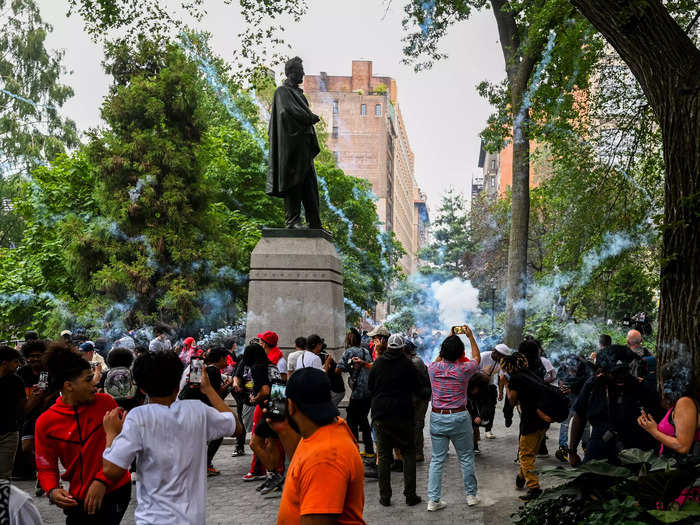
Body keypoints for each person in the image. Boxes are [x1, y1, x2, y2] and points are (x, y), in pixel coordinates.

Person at [102, 350, 240, 524]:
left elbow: (111, 471)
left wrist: (111, 434)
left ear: (142, 388)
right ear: (178, 384)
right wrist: (209, 389)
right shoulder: (198, 410)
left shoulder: (138, 417)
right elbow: (236, 427)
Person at [34, 343, 131, 524]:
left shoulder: (106, 403)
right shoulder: (46, 422)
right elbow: (46, 466)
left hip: (116, 488)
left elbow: (122, 448)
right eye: (88, 380)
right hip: (78, 496)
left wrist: (102, 481)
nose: (95, 384)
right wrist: (53, 490)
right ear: (69, 385)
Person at [266, 367, 365, 524]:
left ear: (290, 406)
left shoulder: (325, 459)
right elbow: (301, 466)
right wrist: (284, 430)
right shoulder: (328, 429)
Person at [569, 344, 662, 466]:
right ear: (603, 371)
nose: (621, 377)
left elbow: (657, 415)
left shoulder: (638, 386)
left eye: (624, 372)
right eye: (615, 373)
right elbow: (579, 416)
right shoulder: (593, 385)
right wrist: (572, 451)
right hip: (599, 447)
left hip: (634, 450)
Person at [426, 328, 481, 512]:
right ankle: (471, 496)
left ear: (442, 352)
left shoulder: (433, 369)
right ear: (460, 353)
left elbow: (437, 359)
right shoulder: (464, 370)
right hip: (459, 416)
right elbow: (477, 359)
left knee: (437, 460)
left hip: (437, 416)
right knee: (466, 457)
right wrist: (470, 336)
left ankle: (433, 500)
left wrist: (448, 338)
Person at [266, 56, 322, 229]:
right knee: (293, 183)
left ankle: (315, 223)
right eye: (300, 71)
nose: (303, 74)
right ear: (291, 72)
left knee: (310, 186)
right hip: (290, 147)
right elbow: (288, 112)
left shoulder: (299, 94)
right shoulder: (282, 92)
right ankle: (292, 221)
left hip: (303, 147)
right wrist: (310, 117)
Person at [368, 333, 422, 507]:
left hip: (381, 415)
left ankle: (385, 496)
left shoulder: (378, 363)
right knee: (408, 453)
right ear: (402, 348)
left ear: (388, 347)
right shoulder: (408, 365)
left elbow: (371, 387)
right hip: (403, 416)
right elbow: (419, 389)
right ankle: (410, 495)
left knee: (383, 456)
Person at [637, 357, 699, 506]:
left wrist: (654, 431)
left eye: (666, 380)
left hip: (683, 477)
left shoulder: (685, 403)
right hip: (675, 474)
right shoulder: (680, 402)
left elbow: (683, 446)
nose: (663, 384)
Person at [501, 350, 548, 502]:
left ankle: (534, 488)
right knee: (530, 453)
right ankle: (522, 476)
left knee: (525, 455)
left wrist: (507, 384)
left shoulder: (516, 379)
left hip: (530, 420)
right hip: (543, 420)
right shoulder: (531, 374)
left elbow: (512, 400)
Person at [179, 347, 233, 476]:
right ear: (220, 359)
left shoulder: (201, 368)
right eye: (226, 358)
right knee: (219, 432)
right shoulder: (213, 371)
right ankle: (206, 464)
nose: (227, 362)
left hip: (187, 405)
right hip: (200, 408)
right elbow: (213, 393)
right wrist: (228, 384)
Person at [337, 330, 374, 459]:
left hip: (357, 392)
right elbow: (370, 366)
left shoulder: (348, 352)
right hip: (368, 392)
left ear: (349, 340)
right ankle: (369, 449)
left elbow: (338, 369)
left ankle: (354, 449)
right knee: (363, 420)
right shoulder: (365, 352)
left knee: (352, 421)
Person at [554, 353, 594, 463]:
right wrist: (562, 387)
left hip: (580, 397)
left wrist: (572, 388)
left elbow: (586, 384)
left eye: (573, 367)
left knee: (584, 423)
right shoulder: (563, 367)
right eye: (569, 367)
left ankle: (586, 446)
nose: (571, 369)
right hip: (567, 399)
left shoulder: (585, 369)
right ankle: (563, 448)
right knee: (564, 423)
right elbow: (560, 380)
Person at [0, 346, 25, 480]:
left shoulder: (17, 381)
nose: (18, 365)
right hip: (9, 431)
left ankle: (3, 501)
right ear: (5, 363)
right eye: (15, 362)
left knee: (4, 476)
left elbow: (22, 407)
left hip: (9, 433)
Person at [406, 339, 431, 462]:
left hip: (419, 398)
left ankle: (417, 453)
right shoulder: (415, 360)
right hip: (419, 397)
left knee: (417, 425)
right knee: (416, 425)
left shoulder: (415, 362)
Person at [476, 348, 502, 440]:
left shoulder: (501, 360)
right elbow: (474, 371)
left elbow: (501, 377)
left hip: (490, 386)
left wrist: (501, 391)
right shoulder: (483, 356)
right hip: (478, 385)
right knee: (478, 408)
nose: (500, 358)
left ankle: (488, 430)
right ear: (494, 352)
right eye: (499, 355)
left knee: (491, 408)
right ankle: (476, 431)